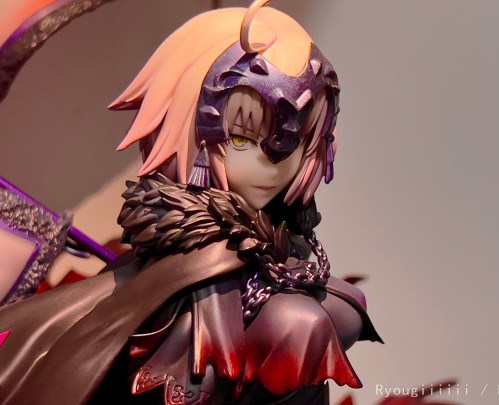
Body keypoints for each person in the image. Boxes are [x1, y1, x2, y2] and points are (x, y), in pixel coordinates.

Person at [0, 1, 381, 404]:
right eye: (241, 137)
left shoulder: (292, 262)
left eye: (297, 144)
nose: (270, 166)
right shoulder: (179, 263)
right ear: (195, 123)